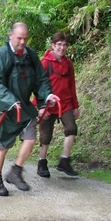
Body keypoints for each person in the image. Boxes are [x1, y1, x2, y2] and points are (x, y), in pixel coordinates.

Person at [0, 22, 57, 196]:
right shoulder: (1, 55)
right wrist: (9, 101)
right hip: (1, 107)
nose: (22, 42)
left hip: (22, 106)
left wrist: (47, 96)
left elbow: (41, 79)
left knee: (30, 138)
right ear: (10, 36)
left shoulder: (30, 55)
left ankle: (15, 171)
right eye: (19, 38)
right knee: (3, 146)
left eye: (25, 38)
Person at [37, 32, 80, 178]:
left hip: (65, 103)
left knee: (72, 128)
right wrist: (41, 107)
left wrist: (75, 105)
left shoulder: (68, 64)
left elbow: (71, 86)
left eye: (64, 45)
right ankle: (42, 162)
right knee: (45, 135)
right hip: (48, 104)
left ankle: (64, 160)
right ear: (53, 45)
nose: (62, 48)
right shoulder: (45, 63)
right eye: (59, 44)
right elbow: (38, 86)